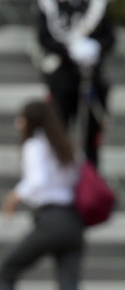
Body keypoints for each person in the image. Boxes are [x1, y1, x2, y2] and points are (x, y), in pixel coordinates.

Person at [0, 100, 85, 290]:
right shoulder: (64, 144)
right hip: (73, 222)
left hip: (51, 220)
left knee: (5, 270)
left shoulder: (35, 145)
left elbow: (36, 181)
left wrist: (13, 197)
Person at [35, 0, 116, 166]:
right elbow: (43, 38)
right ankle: (58, 173)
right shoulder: (48, 5)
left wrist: (96, 47)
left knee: (90, 133)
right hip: (62, 77)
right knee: (58, 128)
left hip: (91, 78)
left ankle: (89, 179)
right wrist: (67, 51)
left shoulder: (96, 5)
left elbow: (109, 38)